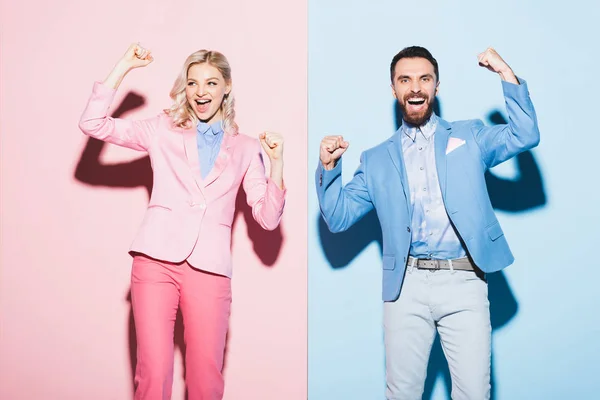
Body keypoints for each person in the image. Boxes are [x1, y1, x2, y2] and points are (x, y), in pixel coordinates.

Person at [316, 46, 539, 400]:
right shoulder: (375, 160)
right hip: (406, 287)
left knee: (474, 393)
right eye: (405, 80)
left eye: (424, 78)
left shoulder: (470, 136)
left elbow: (524, 135)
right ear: (394, 89)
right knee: (402, 394)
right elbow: (339, 217)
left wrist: (504, 73)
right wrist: (329, 169)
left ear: (436, 86)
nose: (415, 87)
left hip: (464, 280)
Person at [79, 43, 286, 400]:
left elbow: (267, 219)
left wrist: (277, 164)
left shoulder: (248, 147)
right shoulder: (161, 128)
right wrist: (124, 67)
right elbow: (92, 124)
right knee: (153, 373)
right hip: (154, 262)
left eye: (210, 83)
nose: (200, 92)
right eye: (192, 83)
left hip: (210, 269)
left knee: (206, 379)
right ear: (184, 88)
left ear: (227, 87)